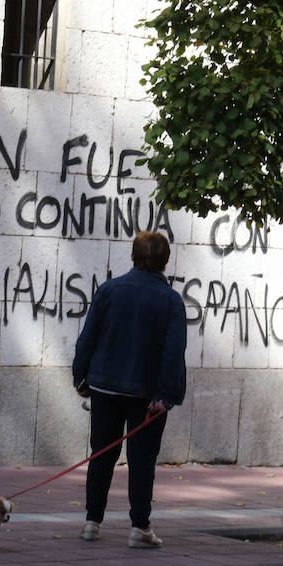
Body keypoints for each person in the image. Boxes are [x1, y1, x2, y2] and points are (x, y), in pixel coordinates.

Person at [72, 231, 187, 547]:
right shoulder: (171, 301)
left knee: (101, 455)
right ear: (165, 260)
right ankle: (139, 527)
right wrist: (167, 395)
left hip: (105, 387)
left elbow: (88, 337)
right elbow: (173, 353)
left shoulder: (109, 290)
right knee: (142, 461)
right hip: (146, 395)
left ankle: (92, 523)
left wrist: (81, 377)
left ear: (133, 256)